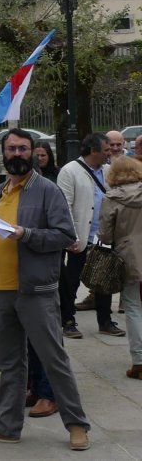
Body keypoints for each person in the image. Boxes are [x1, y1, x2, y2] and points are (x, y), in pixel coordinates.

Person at [0, 129, 90, 451]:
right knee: (9, 363)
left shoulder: (47, 190)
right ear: (3, 153)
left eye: (22, 149)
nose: (17, 154)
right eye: (11, 149)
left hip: (35, 290)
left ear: (32, 153)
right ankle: (7, 426)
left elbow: (65, 235)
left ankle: (77, 425)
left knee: (53, 360)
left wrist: (26, 234)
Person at [56, 133, 121, 339]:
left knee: (104, 280)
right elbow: (64, 206)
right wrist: (71, 236)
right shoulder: (69, 171)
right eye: (106, 150)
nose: (110, 153)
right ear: (93, 151)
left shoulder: (109, 171)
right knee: (71, 281)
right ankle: (68, 321)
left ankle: (105, 321)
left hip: (104, 237)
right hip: (80, 238)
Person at [98, 154, 142, 380]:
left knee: (132, 306)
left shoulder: (112, 198)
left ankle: (139, 361)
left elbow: (105, 235)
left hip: (128, 255)